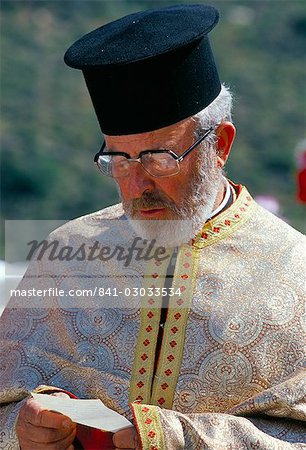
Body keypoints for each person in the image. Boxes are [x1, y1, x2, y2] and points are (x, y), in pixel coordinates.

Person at [1, 4, 305, 449]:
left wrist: (174, 439)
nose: (137, 184)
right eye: (118, 159)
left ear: (219, 145)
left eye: (160, 157)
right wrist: (21, 432)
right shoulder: (66, 253)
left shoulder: (296, 271)